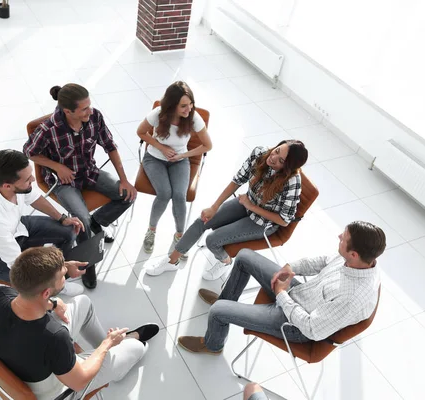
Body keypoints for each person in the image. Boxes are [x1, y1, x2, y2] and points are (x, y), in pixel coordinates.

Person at [176, 221, 385, 355]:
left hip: (294, 324)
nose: (339, 236)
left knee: (218, 311)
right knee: (244, 255)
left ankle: (213, 344)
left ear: (354, 254)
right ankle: (227, 299)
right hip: (297, 294)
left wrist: (282, 294)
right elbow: (323, 261)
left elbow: (312, 329)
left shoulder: (352, 298)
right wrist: (290, 267)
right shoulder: (358, 260)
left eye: (344, 238)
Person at [0, 246, 160, 400]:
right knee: (136, 347)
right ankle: (117, 363)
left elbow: (30, 299)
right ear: (46, 293)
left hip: (25, 361)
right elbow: (79, 382)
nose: (66, 276)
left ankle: (110, 352)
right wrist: (106, 345)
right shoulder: (54, 337)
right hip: (55, 391)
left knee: (83, 302)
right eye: (63, 275)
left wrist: (53, 304)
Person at [24, 83, 138, 289]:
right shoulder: (48, 129)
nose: (90, 111)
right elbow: (29, 152)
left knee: (127, 195)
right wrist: (57, 166)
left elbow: (110, 146)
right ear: (68, 111)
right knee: (81, 219)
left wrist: (124, 179)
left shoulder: (95, 117)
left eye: (90, 105)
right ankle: (88, 263)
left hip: (89, 171)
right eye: (84, 108)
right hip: (63, 183)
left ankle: (97, 221)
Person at [144, 140, 308, 280]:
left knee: (212, 240)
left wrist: (251, 207)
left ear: (287, 168)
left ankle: (225, 261)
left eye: (280, 161)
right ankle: (172, 260)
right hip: (246, 203)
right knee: (203, 220)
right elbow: (237, 180)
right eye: (276, 151)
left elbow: (284, 220)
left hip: (262, 222)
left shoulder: (292, 181)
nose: (272, 158)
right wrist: (214, 207)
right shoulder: (260, 153)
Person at [0, 149, 85, 297]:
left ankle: (58, 279)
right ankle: (55, 286)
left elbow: (34, 197)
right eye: (28, 179)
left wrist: (62, 218)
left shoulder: (1, 176)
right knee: (31, 282)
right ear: (7, 186)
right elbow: (20, 265)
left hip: (15, 228)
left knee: (68, 231)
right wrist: (62, 268)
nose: (33, 179)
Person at [136, 81, 212, 254]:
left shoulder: (193, 117)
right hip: (154, 158)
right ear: (172, 105)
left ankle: (180, 235)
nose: (189, 109)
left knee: (179, 195)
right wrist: (162, 147)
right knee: (164, 193)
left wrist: (182, 155)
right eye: (183, 106)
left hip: (180, 160)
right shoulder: (158, 114)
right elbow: (140, 132)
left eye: (191, 103)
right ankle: (151, 230)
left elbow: (208, 145)